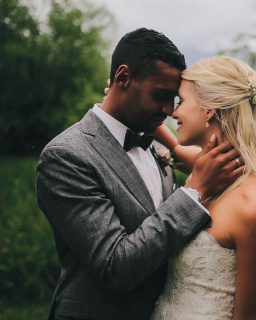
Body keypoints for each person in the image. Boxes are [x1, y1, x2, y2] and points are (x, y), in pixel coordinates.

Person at [36, 28, 243, 320]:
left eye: (174, 99)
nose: (169, 111)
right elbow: (115, 267)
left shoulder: (153, 141)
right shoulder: (67, 156)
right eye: (160, 96)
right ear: (123, 78)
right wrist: (193, 191)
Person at [150, 56, 256, 320]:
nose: (173, 112)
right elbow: (177, 151)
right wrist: (129, 105)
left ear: (209, 109)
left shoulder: (253, 206)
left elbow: (251, 316)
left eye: (182, 102)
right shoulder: (209, 171)